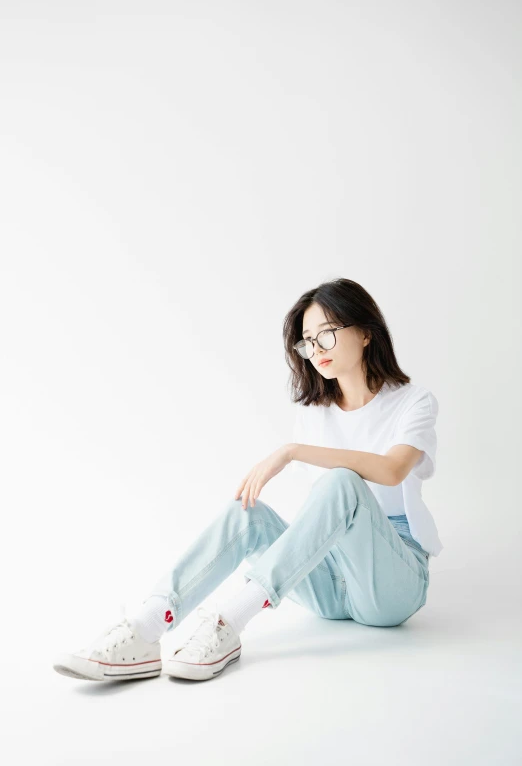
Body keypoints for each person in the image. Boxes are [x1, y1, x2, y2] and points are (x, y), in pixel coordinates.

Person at [53, 277, 442, 683]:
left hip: (392, 584)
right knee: (247, 514)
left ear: (365, 332)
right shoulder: (314, 413)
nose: (316, 351)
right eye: (308, 341)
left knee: (341, 482)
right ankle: (147, 627)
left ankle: (229, 622)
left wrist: (292, 451)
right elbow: (323, 520)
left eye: (327, 334)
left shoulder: (413, 401)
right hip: (332, 583)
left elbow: (392, 469)